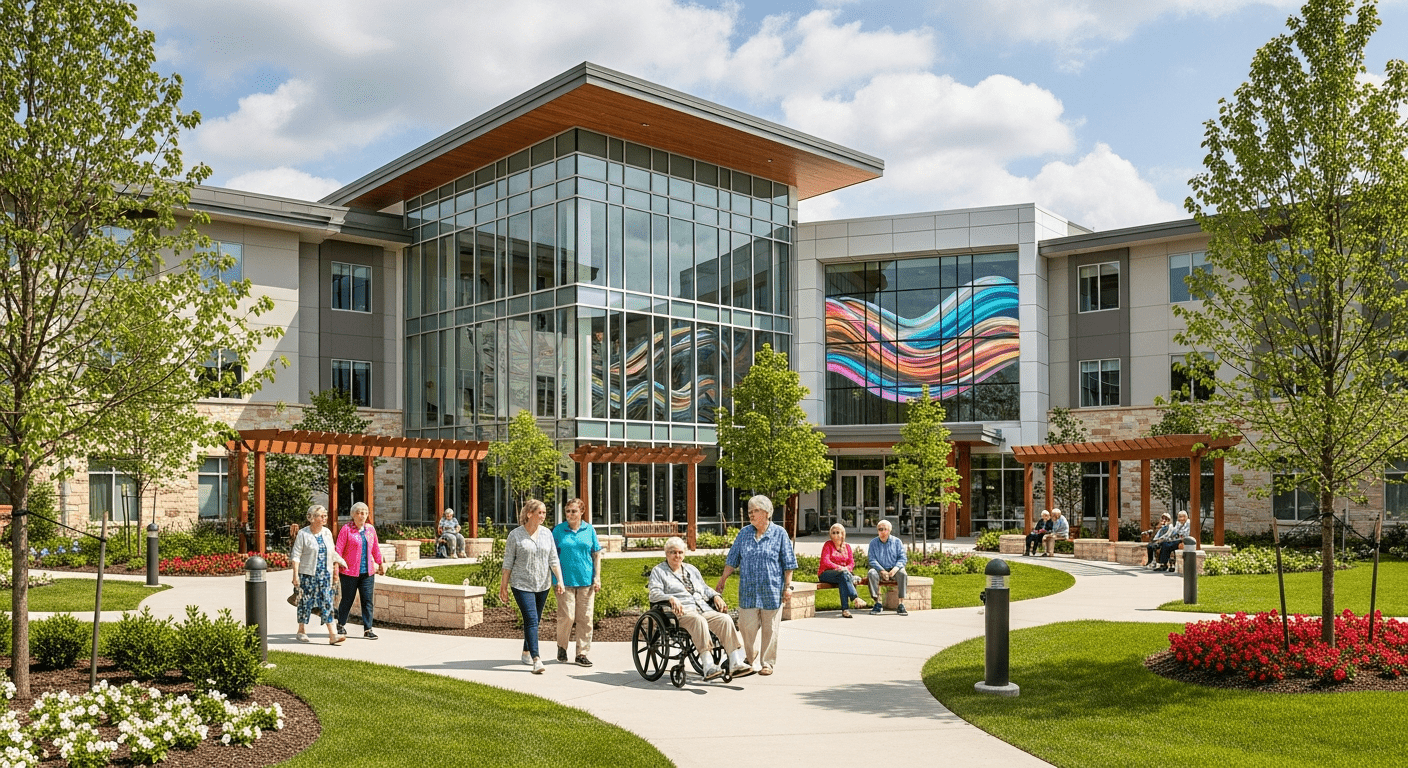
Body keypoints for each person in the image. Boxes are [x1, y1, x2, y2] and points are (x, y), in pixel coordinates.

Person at [715, 495, 796, 677]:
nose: (751, 514)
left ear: (766, 513)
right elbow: (733, 559)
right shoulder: (744, 533)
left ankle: (767, 663)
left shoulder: (779, 533)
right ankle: (750, 658)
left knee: (770, 629)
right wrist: (723, 579)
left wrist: (787, 587)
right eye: (750, 511)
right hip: (748, 591)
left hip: (772, 590)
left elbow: (789, 563)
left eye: (755, 511)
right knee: (746, 627)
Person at [649, 537, 749, 681]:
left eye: (680, 552)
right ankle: (708, 665)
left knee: (725, 619)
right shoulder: (658, 571)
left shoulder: (691, 569)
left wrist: (716, 596)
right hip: (679, 613)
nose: (677, 555)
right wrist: (670, 598)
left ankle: (735, 661)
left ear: (684, 554)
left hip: (702, 609)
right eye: (673, 552)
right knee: (698, 620)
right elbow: (654, 593)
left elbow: (704, 588)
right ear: (666, 553)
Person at [499, 499, 565, 674]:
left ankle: (526, 651)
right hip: (521, 584)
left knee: (535, 620)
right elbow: (508, 562)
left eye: (544, 513)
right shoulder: (515, 535)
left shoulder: (547, 534)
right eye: (539, 513)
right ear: (529, 514)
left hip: (543, 584)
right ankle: (536, 659)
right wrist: (503, 586)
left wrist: (560, 580)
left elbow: (553, 559)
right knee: (531, 619)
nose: (543, 516)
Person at [552, 498, 601, 667]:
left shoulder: (589, 530)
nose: (570, 514)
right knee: (567, 616)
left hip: (586, 580)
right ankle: (562, 646)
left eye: (574, 511)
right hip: (564, 582)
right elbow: (552, 556)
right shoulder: (558, 531)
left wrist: (597, 577)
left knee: (585, 618)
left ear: (582, 512)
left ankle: (582, 653)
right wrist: (557, 579)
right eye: (568, 511)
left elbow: (596, 554)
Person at [290, 505, 348, 645]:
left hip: (325, 575)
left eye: (325, 515)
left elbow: (331, 552)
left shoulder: (327, 533)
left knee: (327, 602)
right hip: (308, 575)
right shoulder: (303, 534)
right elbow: (296, 555)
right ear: (312, 518)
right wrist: (295, 575)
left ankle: (333, 635)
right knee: (305, 602)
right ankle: (301, 630)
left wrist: (341, 561)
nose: (324, 518)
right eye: (321, 516)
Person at [334, 501, 385, 640]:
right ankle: (341, 624)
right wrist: (336, 568)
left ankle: (368, 629)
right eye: (359, 513)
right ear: (353, 515)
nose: (363, 515)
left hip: (367, 572)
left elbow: (375, 548)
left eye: (365, 513)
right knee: (347, 599)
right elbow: (338, 550)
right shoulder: (346, 529)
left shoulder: (370, 530)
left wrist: (380, 563)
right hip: (349, 572)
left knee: (367, 601)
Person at [818, 523, 867, 618]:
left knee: (843, 578)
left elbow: (851, 562)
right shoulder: (828, 545)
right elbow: (825, 561)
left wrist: (846, 569)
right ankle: (855, 598)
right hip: (826, 573)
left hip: (843, 574)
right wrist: (840, 568)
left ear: (842, 534)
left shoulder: (847, 546)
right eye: (833, 533)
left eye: (838, 532)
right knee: (844, 575)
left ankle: (845, 610)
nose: (835, 535)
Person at [866, 519, 909, 615]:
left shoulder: (897, 542)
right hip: (879, 570)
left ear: (889, 530)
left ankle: (901, 604)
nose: (882, 532)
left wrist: (895, 569)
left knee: (902, 573)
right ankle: (877, 603)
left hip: (894, 569)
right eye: (880, 529)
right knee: (871, 573)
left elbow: (902, 558)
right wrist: (882, 570)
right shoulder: (873, 543)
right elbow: (872, 559)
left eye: (885, 529)